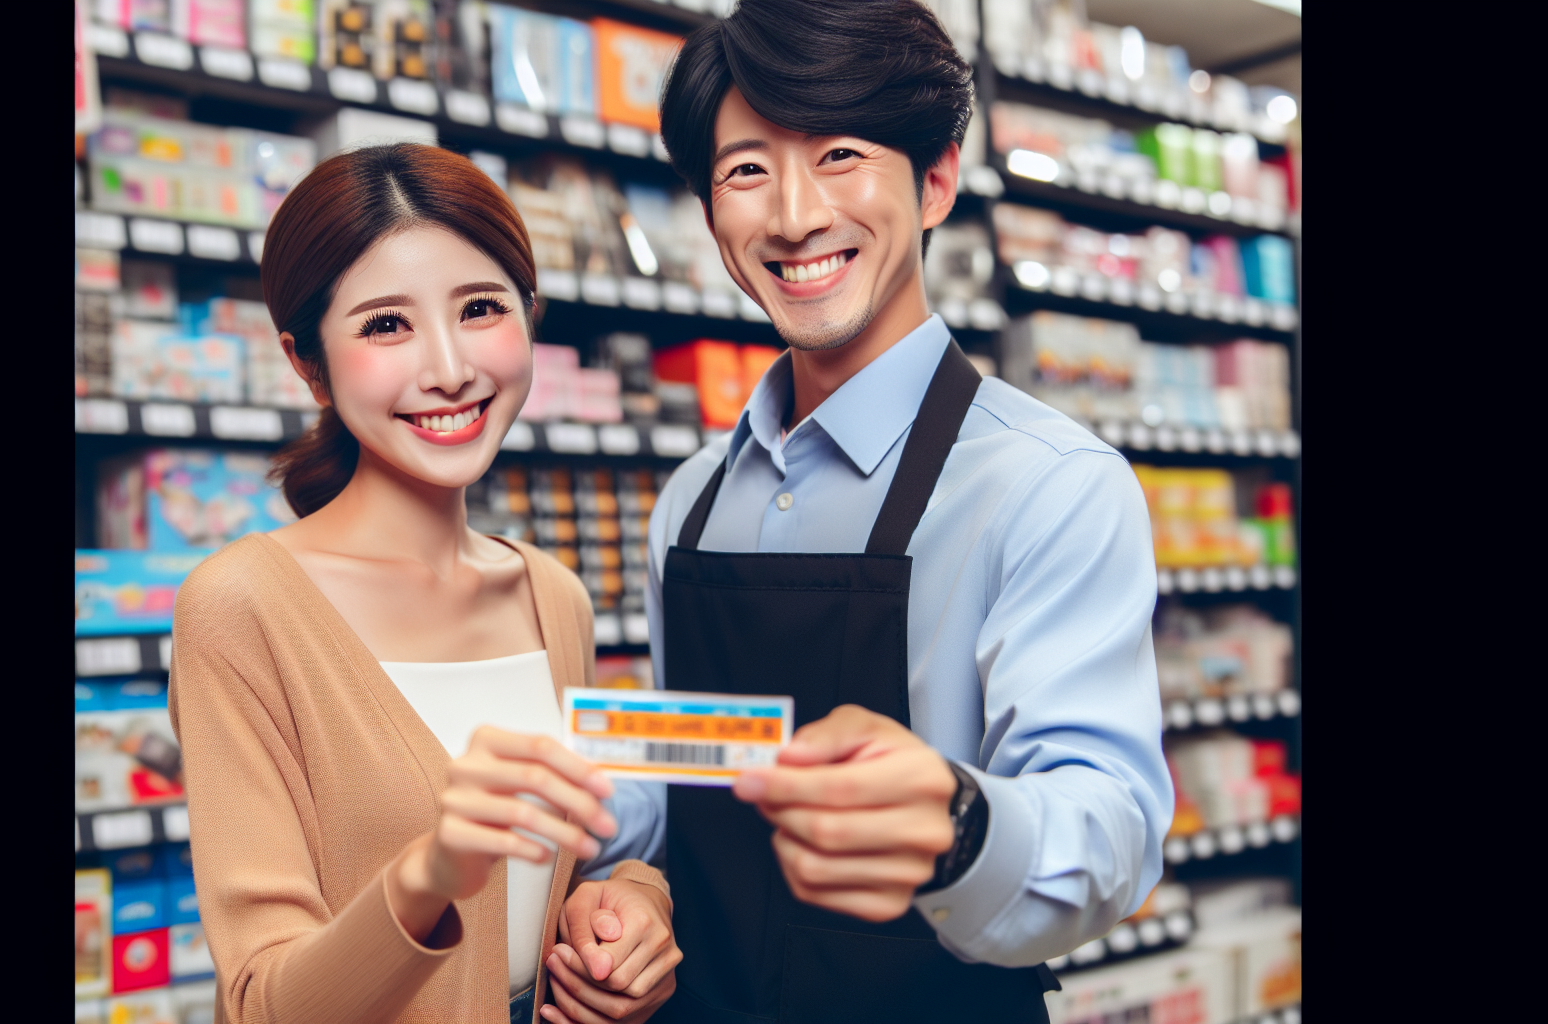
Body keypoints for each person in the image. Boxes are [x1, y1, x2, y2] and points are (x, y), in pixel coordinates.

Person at [592, 1, 1176, 1020]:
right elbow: (687, 760)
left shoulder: (1050, 485)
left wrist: (955, 822)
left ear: (936, 179)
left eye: (841, 154)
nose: (792, 215)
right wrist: (582, 838)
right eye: (745, 170)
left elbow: (1109, 827)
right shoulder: (689, 504)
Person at [168, 144, 680, 1024]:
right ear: (308, 365)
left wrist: (632, 905)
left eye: (480, 308)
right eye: (385, 325)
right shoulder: (240, 606)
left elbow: (567, 870)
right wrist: (427, 875)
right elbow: (260, 1004)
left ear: (529, 314)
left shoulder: (552, 596)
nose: (447, 367)